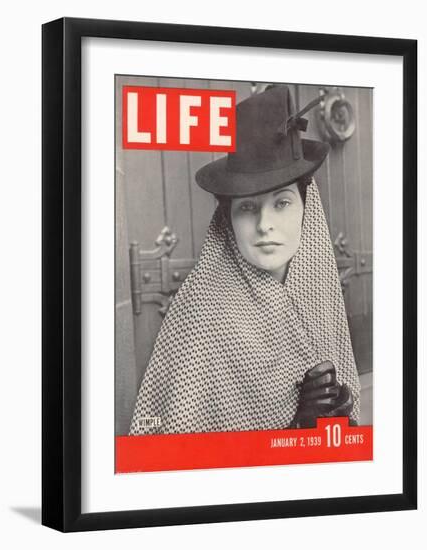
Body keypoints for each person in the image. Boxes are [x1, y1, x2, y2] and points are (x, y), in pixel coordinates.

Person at [129, 84, 361, 435]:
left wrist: (333, 414)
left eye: (282, 203)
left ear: (305, 210)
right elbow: (173, 455)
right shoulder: (201, 314)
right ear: (227, 218)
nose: (265, 224)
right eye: (247, 207)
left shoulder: (318, 293)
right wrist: (295, 427)